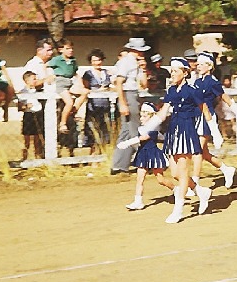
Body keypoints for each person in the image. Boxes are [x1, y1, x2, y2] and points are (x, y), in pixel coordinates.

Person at [136, 57, 208, 223]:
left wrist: (214, 132)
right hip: (173, 132)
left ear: (185, 72)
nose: (172, 74)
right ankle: (201, 192)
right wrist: (149, 127)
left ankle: (178, 209)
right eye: (172, 71)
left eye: (176, 71)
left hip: (187, 131)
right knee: (175, 173)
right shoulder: (171, 91)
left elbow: (204, 110)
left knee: (182, 172)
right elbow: (162, 114)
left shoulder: (192, 90)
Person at [192, 52, 237, 189]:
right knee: (204, 153)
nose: (198, 66)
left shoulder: (213, 82)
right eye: (198, 63)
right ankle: (226, 169)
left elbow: (224, 96)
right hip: (196, 116)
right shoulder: (197, 81)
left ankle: (194, 184)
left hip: (207, 117)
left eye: (201, 64)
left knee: (197, 151)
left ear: (209, 66)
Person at [124, 102, 177, 210]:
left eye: (144, 116)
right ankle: (138, 201)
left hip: (153, 155)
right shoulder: (142, 127)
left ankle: (176, 190)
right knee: (140, 179)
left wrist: (128, 142)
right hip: (143, 154)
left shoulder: (153, 129)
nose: (141, 118)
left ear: (151, 117)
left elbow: (144, 137)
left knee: (160, 179)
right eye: (141, 115)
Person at [111, 38, 151, 175]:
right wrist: (122, 103)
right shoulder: (126, 62)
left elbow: (144, 84)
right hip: (128, 95)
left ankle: (119, 165)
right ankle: (145, 161)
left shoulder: (135, 63)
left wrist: (143, 68)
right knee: (136, 130)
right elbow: (119, 82)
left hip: (133, 94)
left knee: (127, 131)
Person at [22, 38, 56, 154]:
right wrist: (45, 79)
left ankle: (45, 155)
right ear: (39, 50)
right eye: (48, 50)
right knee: (34, 134)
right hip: (37, 101)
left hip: (50, 100)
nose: (51, 53)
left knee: (46, 131)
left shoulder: (51, 65)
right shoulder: (32, 65)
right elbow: (31, 83)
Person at [47, 38, 87, 136]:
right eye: (68, 48)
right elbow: (47, 66)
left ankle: (73, 111)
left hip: (70, 82)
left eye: (71, 49)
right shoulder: (57, 59)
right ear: (61, 50)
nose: (71, 51)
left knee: (85, 92)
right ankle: (63, 123)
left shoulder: (73, 60)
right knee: (69, 102)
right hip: (61, 82)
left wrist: (80, 83)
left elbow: (75, 73)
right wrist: (49, 76)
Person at [80, 49, 113, 157]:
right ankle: (93, 155)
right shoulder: (88, 74)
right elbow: (85, 88)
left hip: (105, 104)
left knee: (104, 129)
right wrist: (99, 90)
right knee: (92, 129)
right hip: (94, 105)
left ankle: (102, 153)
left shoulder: (106, 72)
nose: (97, 63)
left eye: (98, 60)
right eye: (94, 60)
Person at [17, 70, 44, 160]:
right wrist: (25, 106)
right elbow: (19, 107)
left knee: (37, 138)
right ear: (27, 81)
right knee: (27, 139)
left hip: (38, 113)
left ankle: (38, 156)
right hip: (29, 115)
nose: (36, 81)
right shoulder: (23, 92)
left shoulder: (39, 91)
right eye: (34, 79)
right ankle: (24, 157)